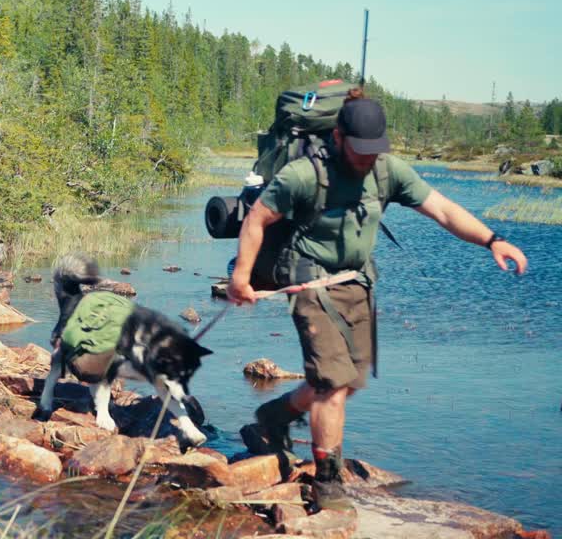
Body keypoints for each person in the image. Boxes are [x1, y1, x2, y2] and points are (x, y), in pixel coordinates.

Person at [226, 90, 528, 511]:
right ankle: (327, 484)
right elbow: (258, 218)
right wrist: (240, 279)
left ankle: (276, 415)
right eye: (360, 149)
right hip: (308, 280)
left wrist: (493, 240)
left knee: (349, 380)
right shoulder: (304, 175)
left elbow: (442, 209)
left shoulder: (388, 172)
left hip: (356, 281)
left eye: (374, 150)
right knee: (332, 386)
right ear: (337, 136)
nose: (367, 158)